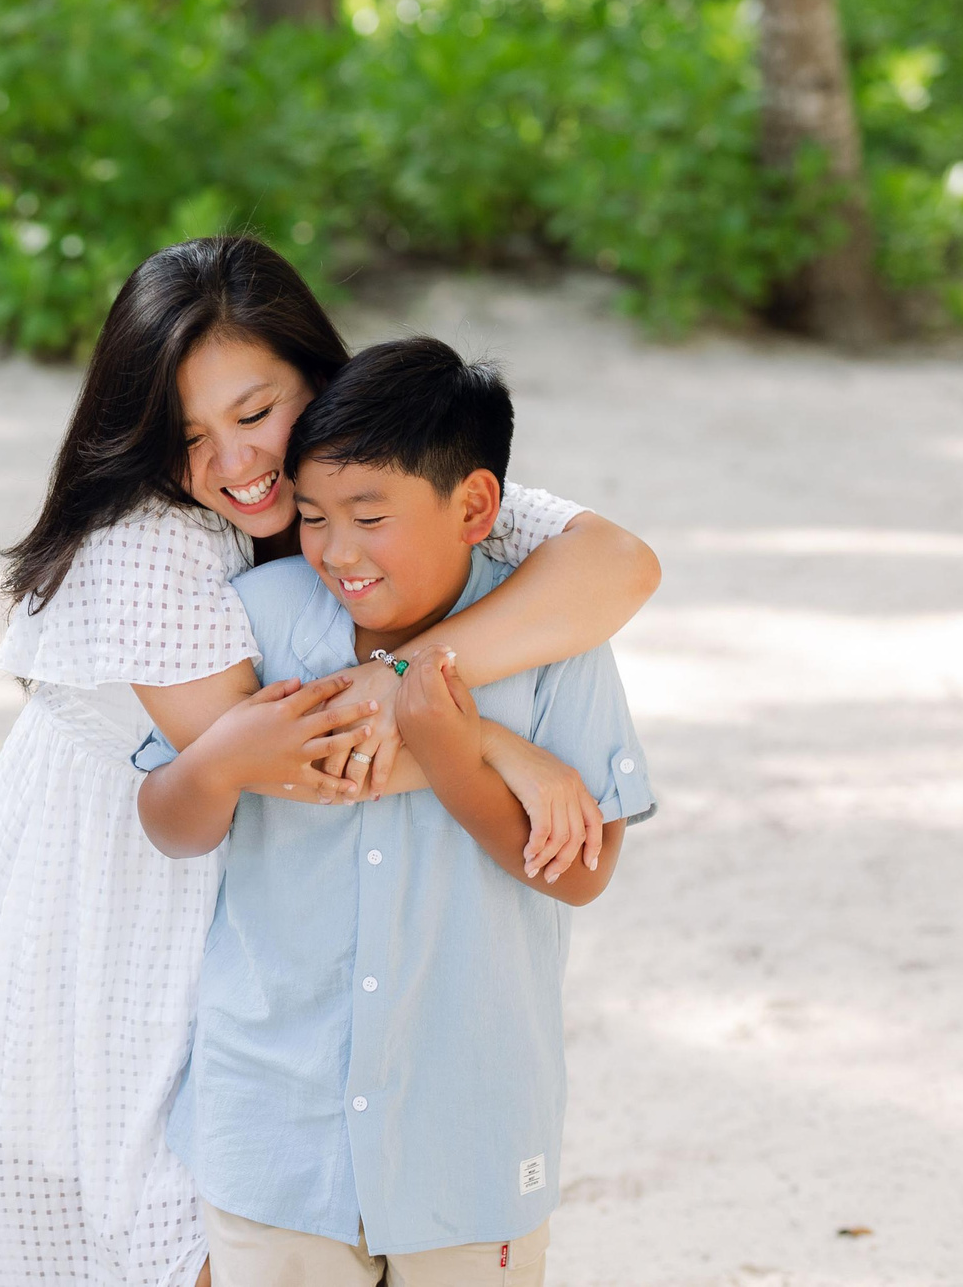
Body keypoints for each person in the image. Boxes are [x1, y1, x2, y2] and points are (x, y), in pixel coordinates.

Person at [0, 236, 658, 1287]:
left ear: (320, 379)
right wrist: (502, 744)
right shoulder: (155, 545)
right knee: (177, 1229)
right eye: (191, 436)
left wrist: (403, 671)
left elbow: (614, 563)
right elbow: (303, 765)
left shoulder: (368, 472)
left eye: (257, 413)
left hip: (267, 894)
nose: (235, 465)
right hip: (119, 892)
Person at [134, 336, 654, 1282]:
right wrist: (218, 763)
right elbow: (169, 819)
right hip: (274, 1120)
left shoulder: (557, 639)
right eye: (313, 515)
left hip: (472, 1126)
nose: (335, 550)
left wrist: (455, 753)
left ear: (476, 507)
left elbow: (581, 873)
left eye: (368, 516)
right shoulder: (259, 614)